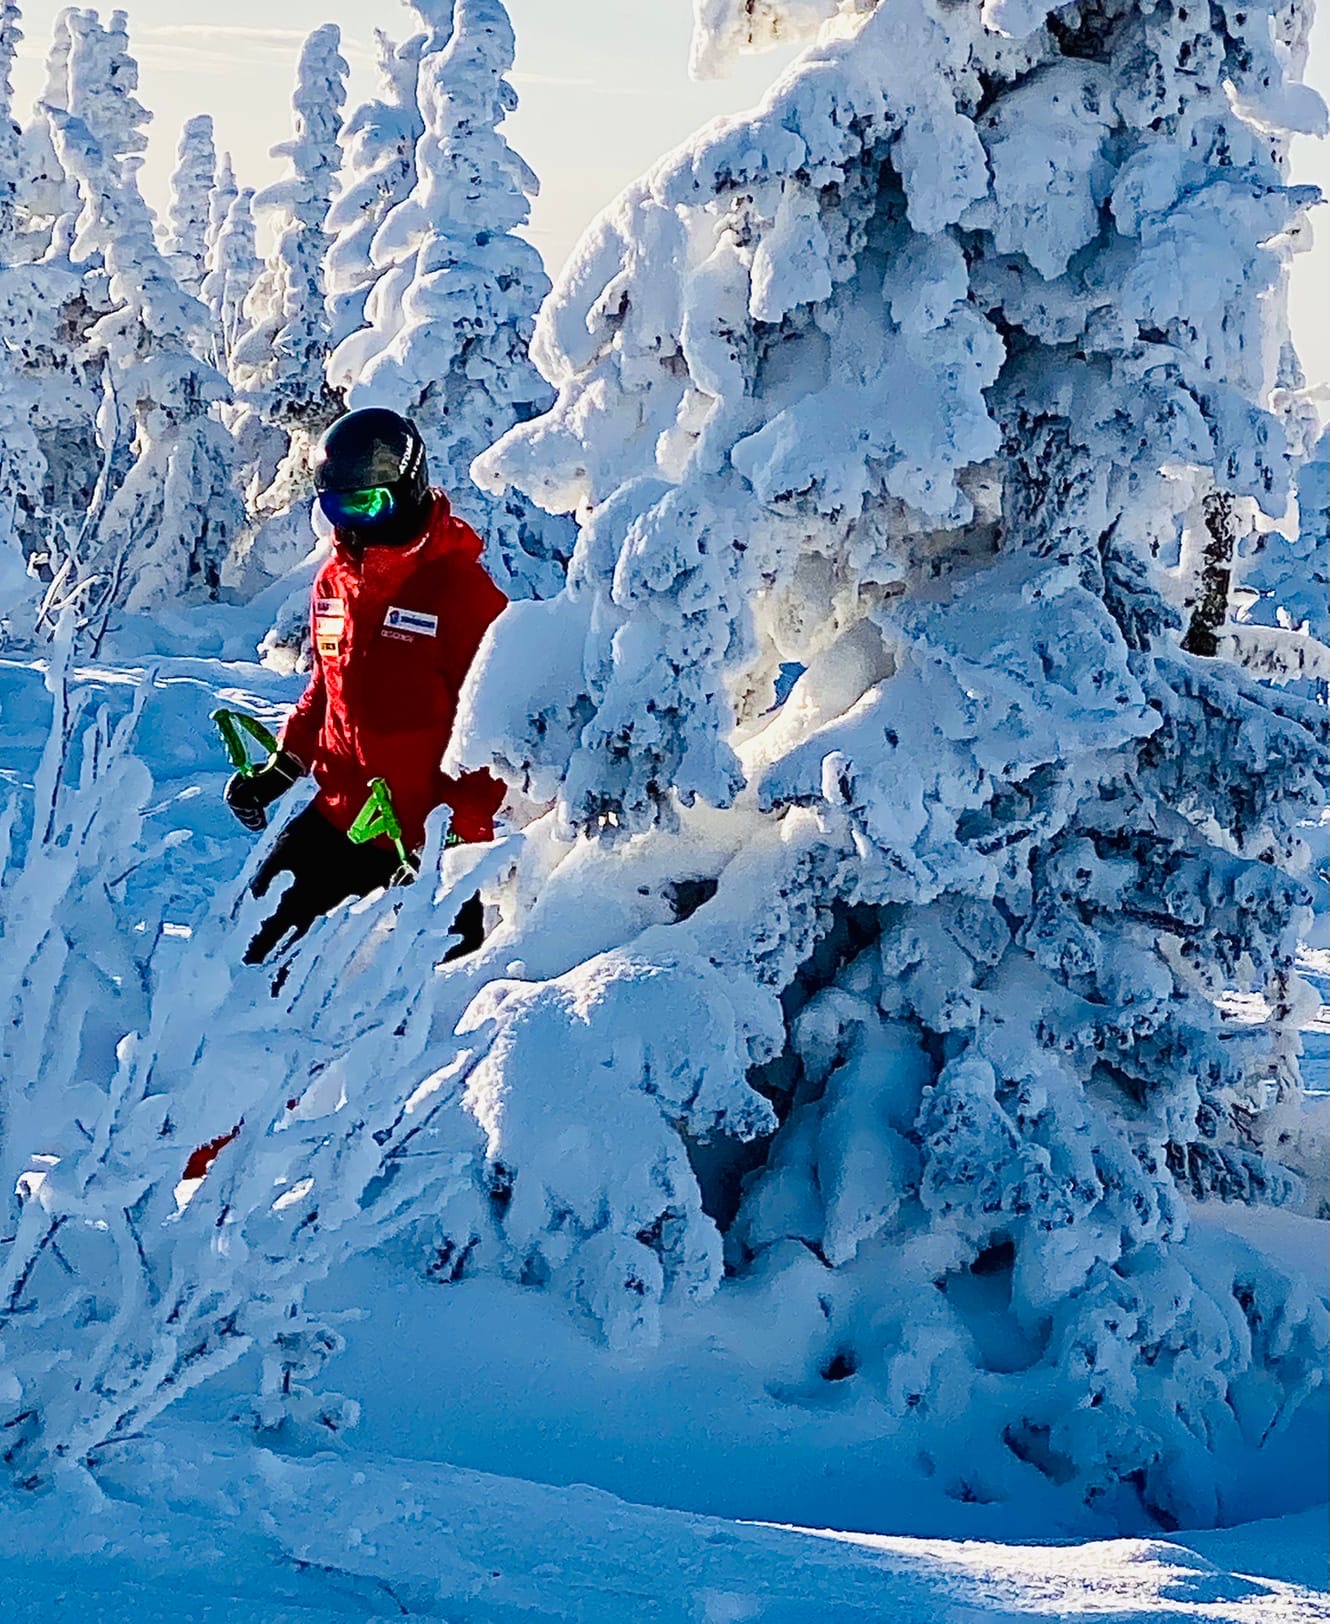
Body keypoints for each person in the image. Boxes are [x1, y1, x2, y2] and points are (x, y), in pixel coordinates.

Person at [225, 407, 507, 966]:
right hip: (342, 815)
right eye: (337, 506)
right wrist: (285, 766)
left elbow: (493, 721)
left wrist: (461, 830)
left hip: (424, 841)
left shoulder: (459, 592)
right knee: (244, 946)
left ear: (410, 488)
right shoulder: (335, 583)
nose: (354, 522)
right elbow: (327, 690)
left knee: (418, 1003)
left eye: (370, 503)